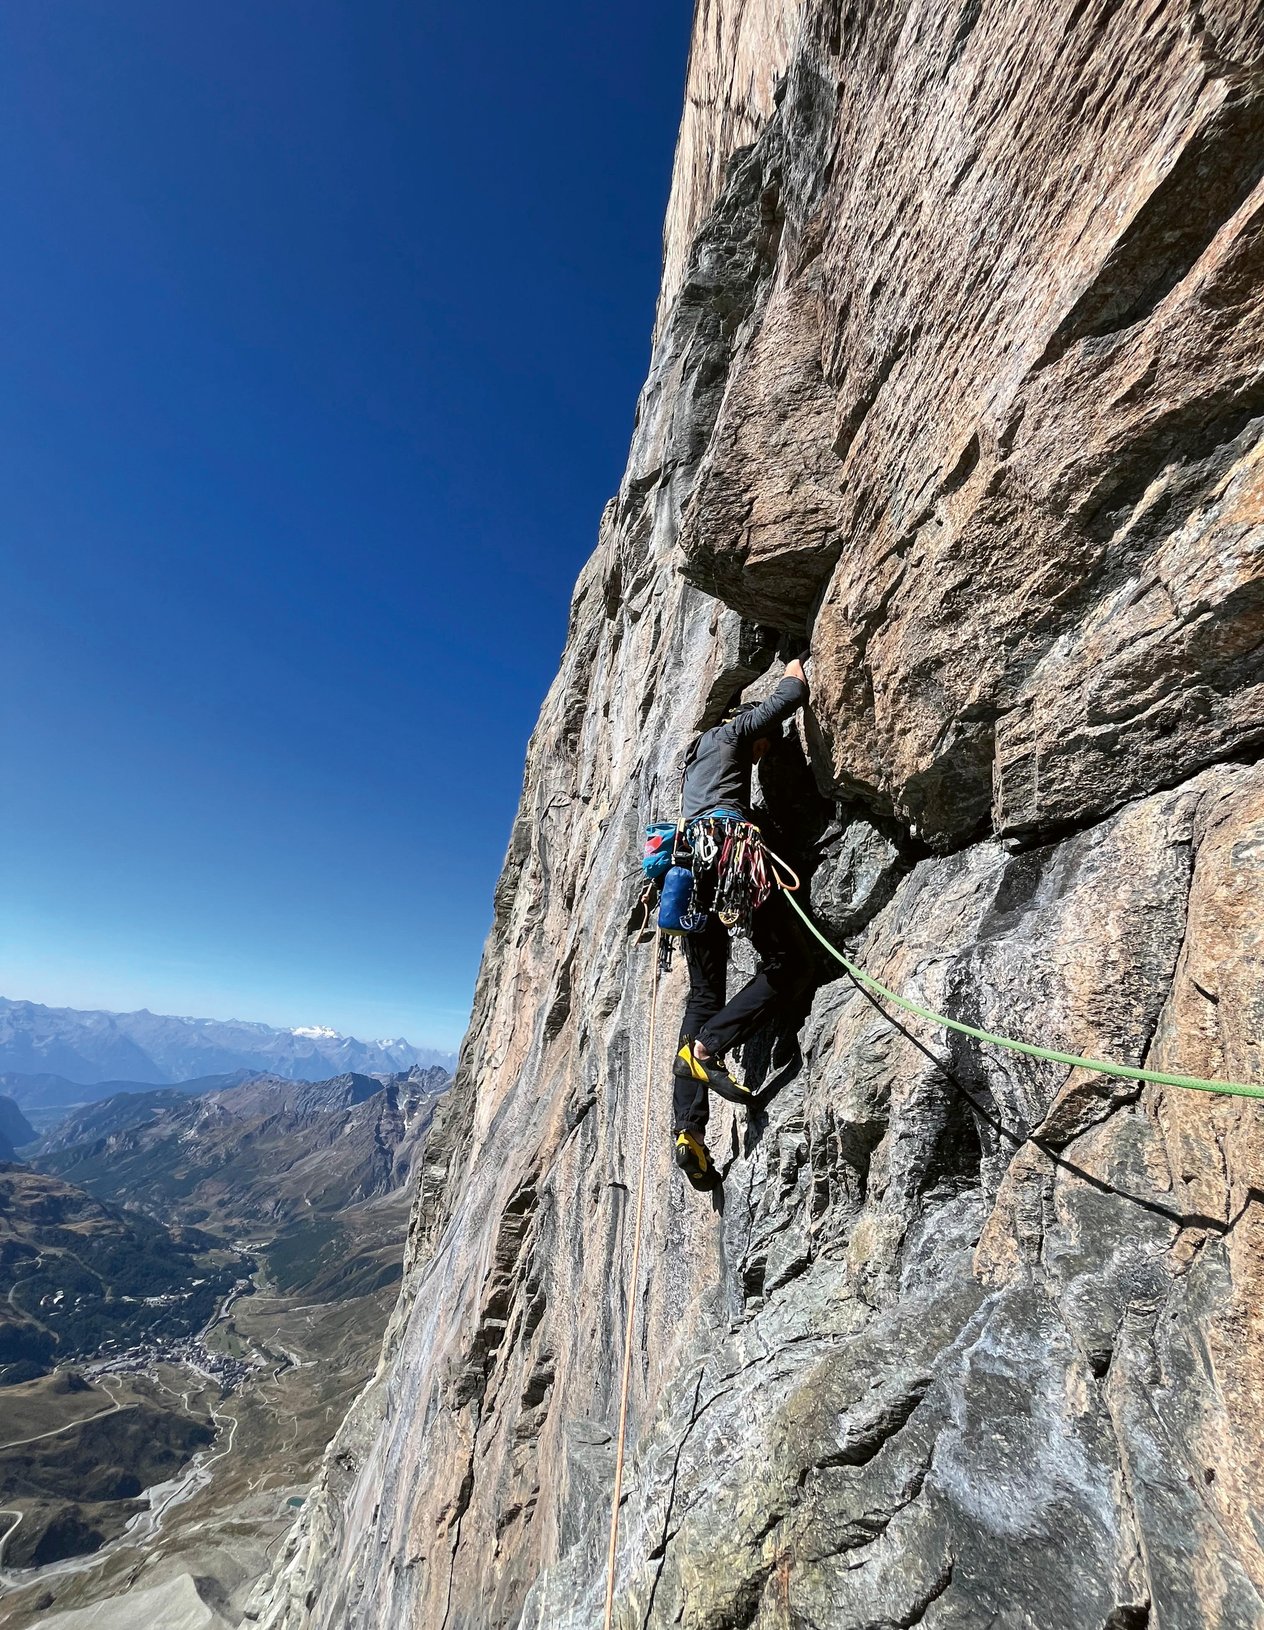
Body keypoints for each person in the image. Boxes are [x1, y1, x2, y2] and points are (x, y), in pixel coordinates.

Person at [672, 657, 813, 1187]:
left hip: (686, 874)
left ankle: (690, 1131)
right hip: (729, 859)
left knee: (703, 994)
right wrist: (794, 660)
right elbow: (787, 698)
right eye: (766, 746)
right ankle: (707, 1048)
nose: (764, 752)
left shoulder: (694, 764)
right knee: (791, 963)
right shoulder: (734, 730)